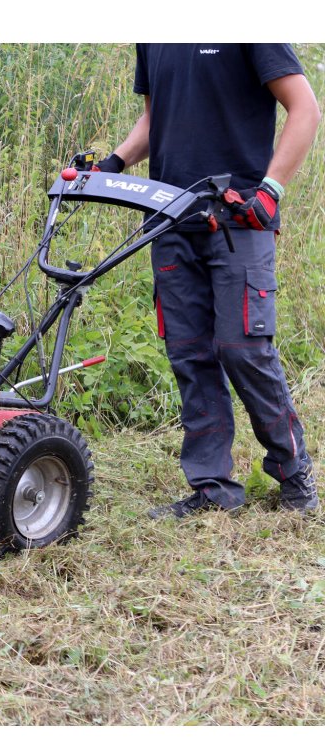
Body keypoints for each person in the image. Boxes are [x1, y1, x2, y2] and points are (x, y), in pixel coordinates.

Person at [96, 44, 321, 518]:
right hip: (170, 219)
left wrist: (271, 191)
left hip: (241, 217)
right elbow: (156, 119)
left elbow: (304, 108)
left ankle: (293, 469)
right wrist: (114, 162)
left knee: (243, 348)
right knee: (190, 352)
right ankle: (213, 488)